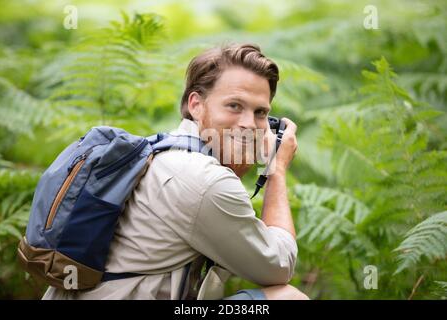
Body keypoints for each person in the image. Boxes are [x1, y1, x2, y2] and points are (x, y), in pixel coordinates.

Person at [42, 43, 309, 300]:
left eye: (260, 112)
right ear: (196, 104)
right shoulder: (205, 180)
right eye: (234, 106)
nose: (250, 124)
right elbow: (279, 265)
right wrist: (275, 169)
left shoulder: (162, 150)